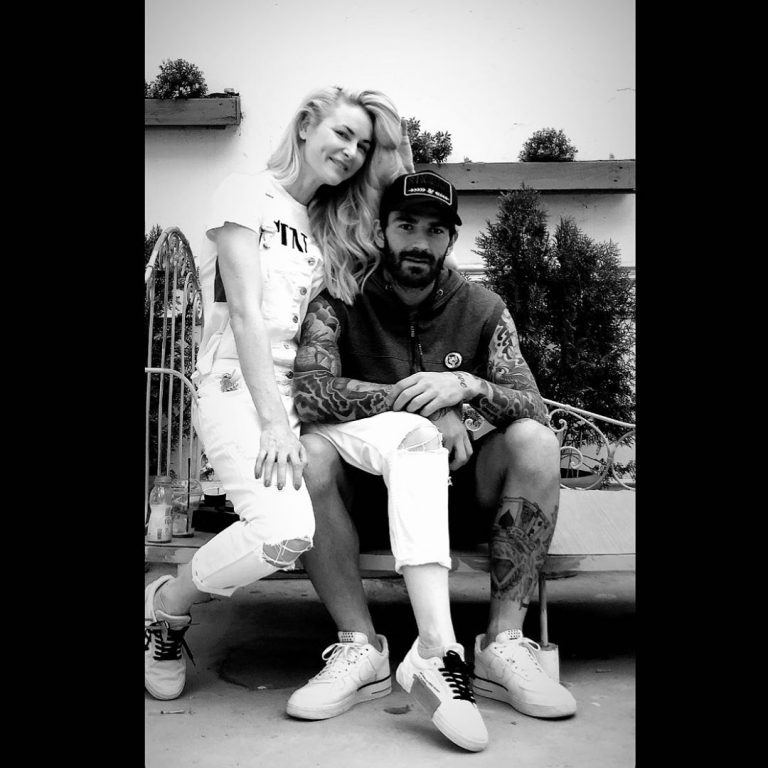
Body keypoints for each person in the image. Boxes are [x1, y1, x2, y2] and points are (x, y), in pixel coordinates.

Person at [289, 169, 577, 750]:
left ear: (451, 239)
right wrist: (422, 407)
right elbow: (309, 393)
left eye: (435, 230)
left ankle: (502, 645)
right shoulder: (340, 297)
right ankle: (360, 647)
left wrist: (466, 386)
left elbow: (534, 405)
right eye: (406, 226)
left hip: (461, 493)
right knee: (311, 450)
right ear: (381, 231)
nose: (420, 241)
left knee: (536, 441)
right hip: (363, 500)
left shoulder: (483, 307)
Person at [144, 85, 412, 702]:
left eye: (362, 145)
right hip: (236, 383)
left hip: (296, 393)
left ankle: (387, 644)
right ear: (306, 125)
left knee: (305, 521)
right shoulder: (245, 191)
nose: (350, 152)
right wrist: (272, 424)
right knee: (281, 534)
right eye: (341, 134)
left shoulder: (325, 224)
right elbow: (243, 312)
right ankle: (166, 607)